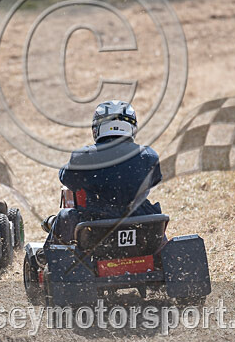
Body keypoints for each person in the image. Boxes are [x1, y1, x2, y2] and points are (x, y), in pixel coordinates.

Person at [49, 100, 163, 244]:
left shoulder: (84, 156)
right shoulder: (148, 155)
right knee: (154, 213)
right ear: (132, 127)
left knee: (65, 215)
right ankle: (160, 253)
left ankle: (44, 259)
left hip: (95, 231)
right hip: (140, 230)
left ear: (97, 128)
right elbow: (156, 180)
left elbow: (67, 179)